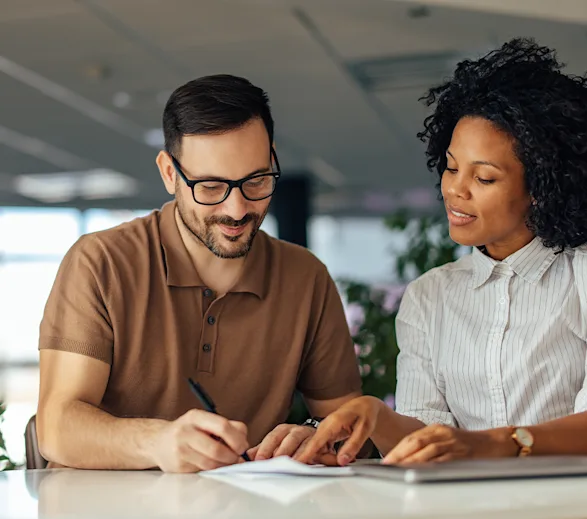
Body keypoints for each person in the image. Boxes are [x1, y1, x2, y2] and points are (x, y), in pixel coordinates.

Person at [297, 38, 587, 466]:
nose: (454, 189)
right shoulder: (430, 296)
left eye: (484, 178)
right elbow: (424, 436)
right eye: (451, 167)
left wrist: (490, 443)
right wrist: (375, 417)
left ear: (541, 191)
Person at [37, 74, 362, 472]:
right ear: (170, 173)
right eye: (210, 187)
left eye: (256, 180)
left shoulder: (306, 277)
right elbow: (56, 427)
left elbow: (348, 424)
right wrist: (157, 442)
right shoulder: (101, 262)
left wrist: (316, 433)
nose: (238, 209)